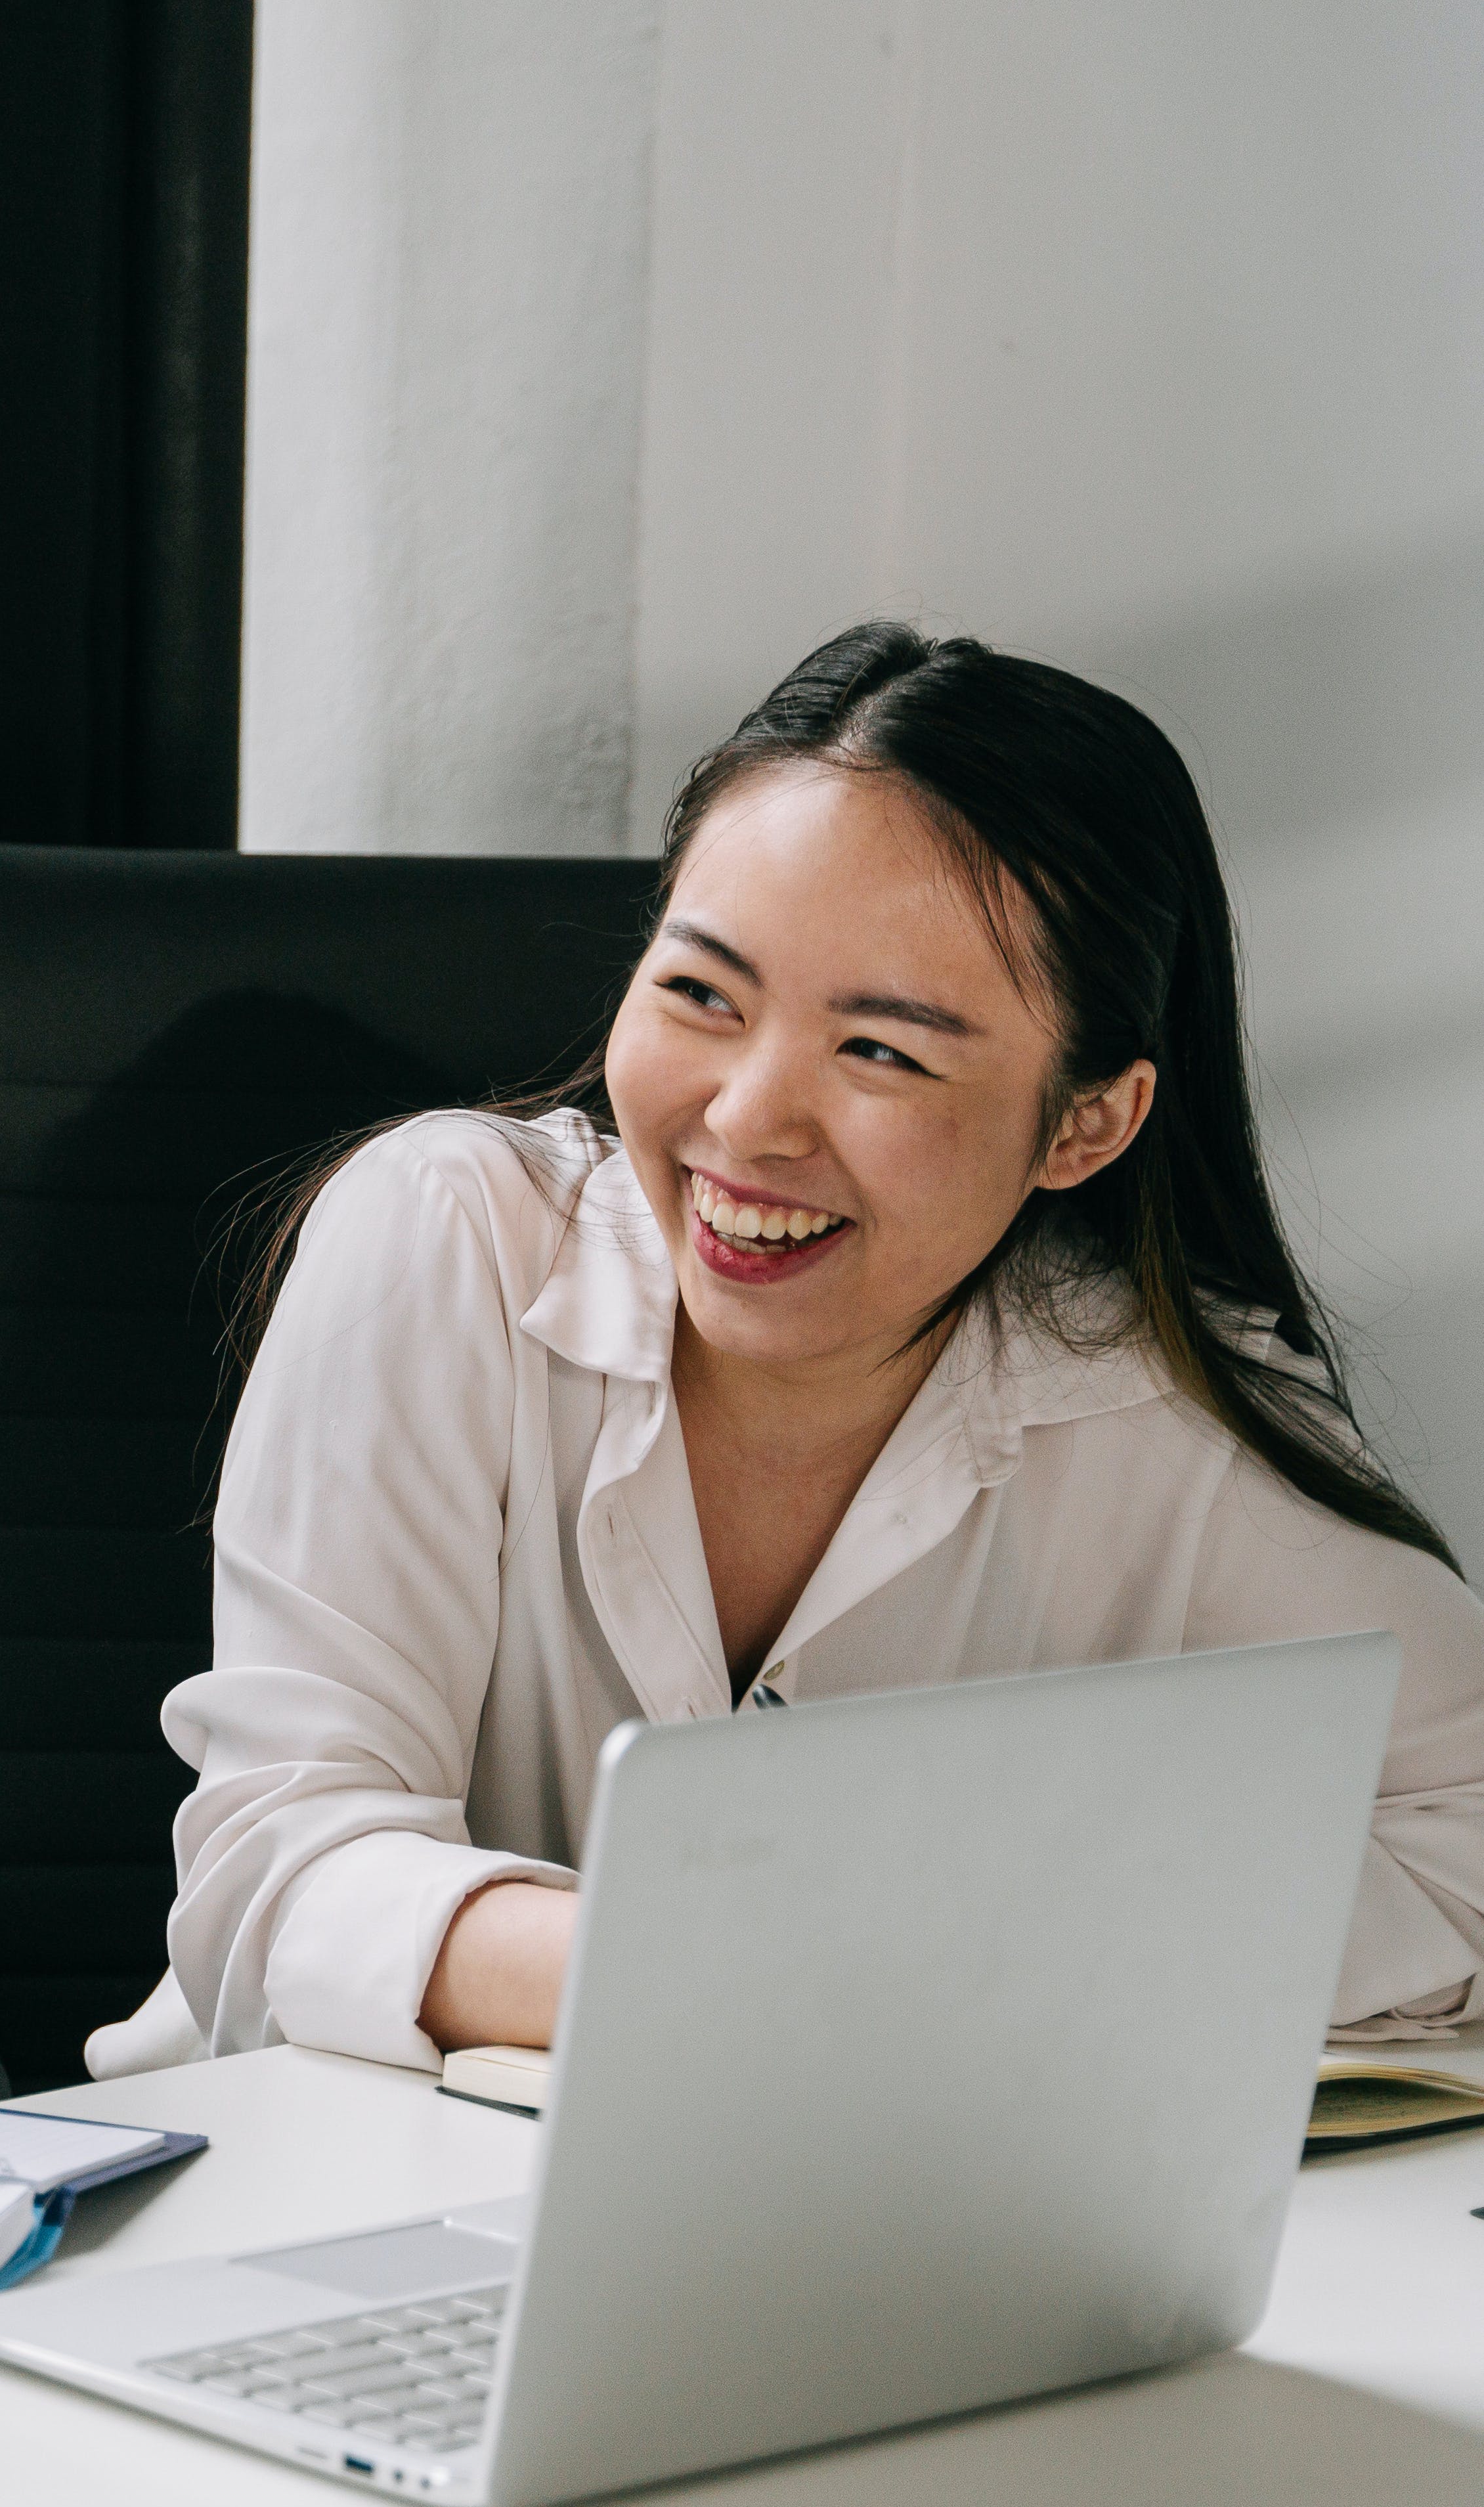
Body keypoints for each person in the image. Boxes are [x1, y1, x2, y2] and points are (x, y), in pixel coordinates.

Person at [97, 623, 1484, 2079]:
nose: (750, 1121)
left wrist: (1031, 1948)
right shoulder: (447, 1238)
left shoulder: (1152, 1399)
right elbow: (285, 1877)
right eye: (701, 994)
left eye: (880, 1051)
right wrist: (794, 1973)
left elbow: (1460, 1828)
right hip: (324, 2193)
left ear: (1087, 1124)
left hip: (862, 2240)